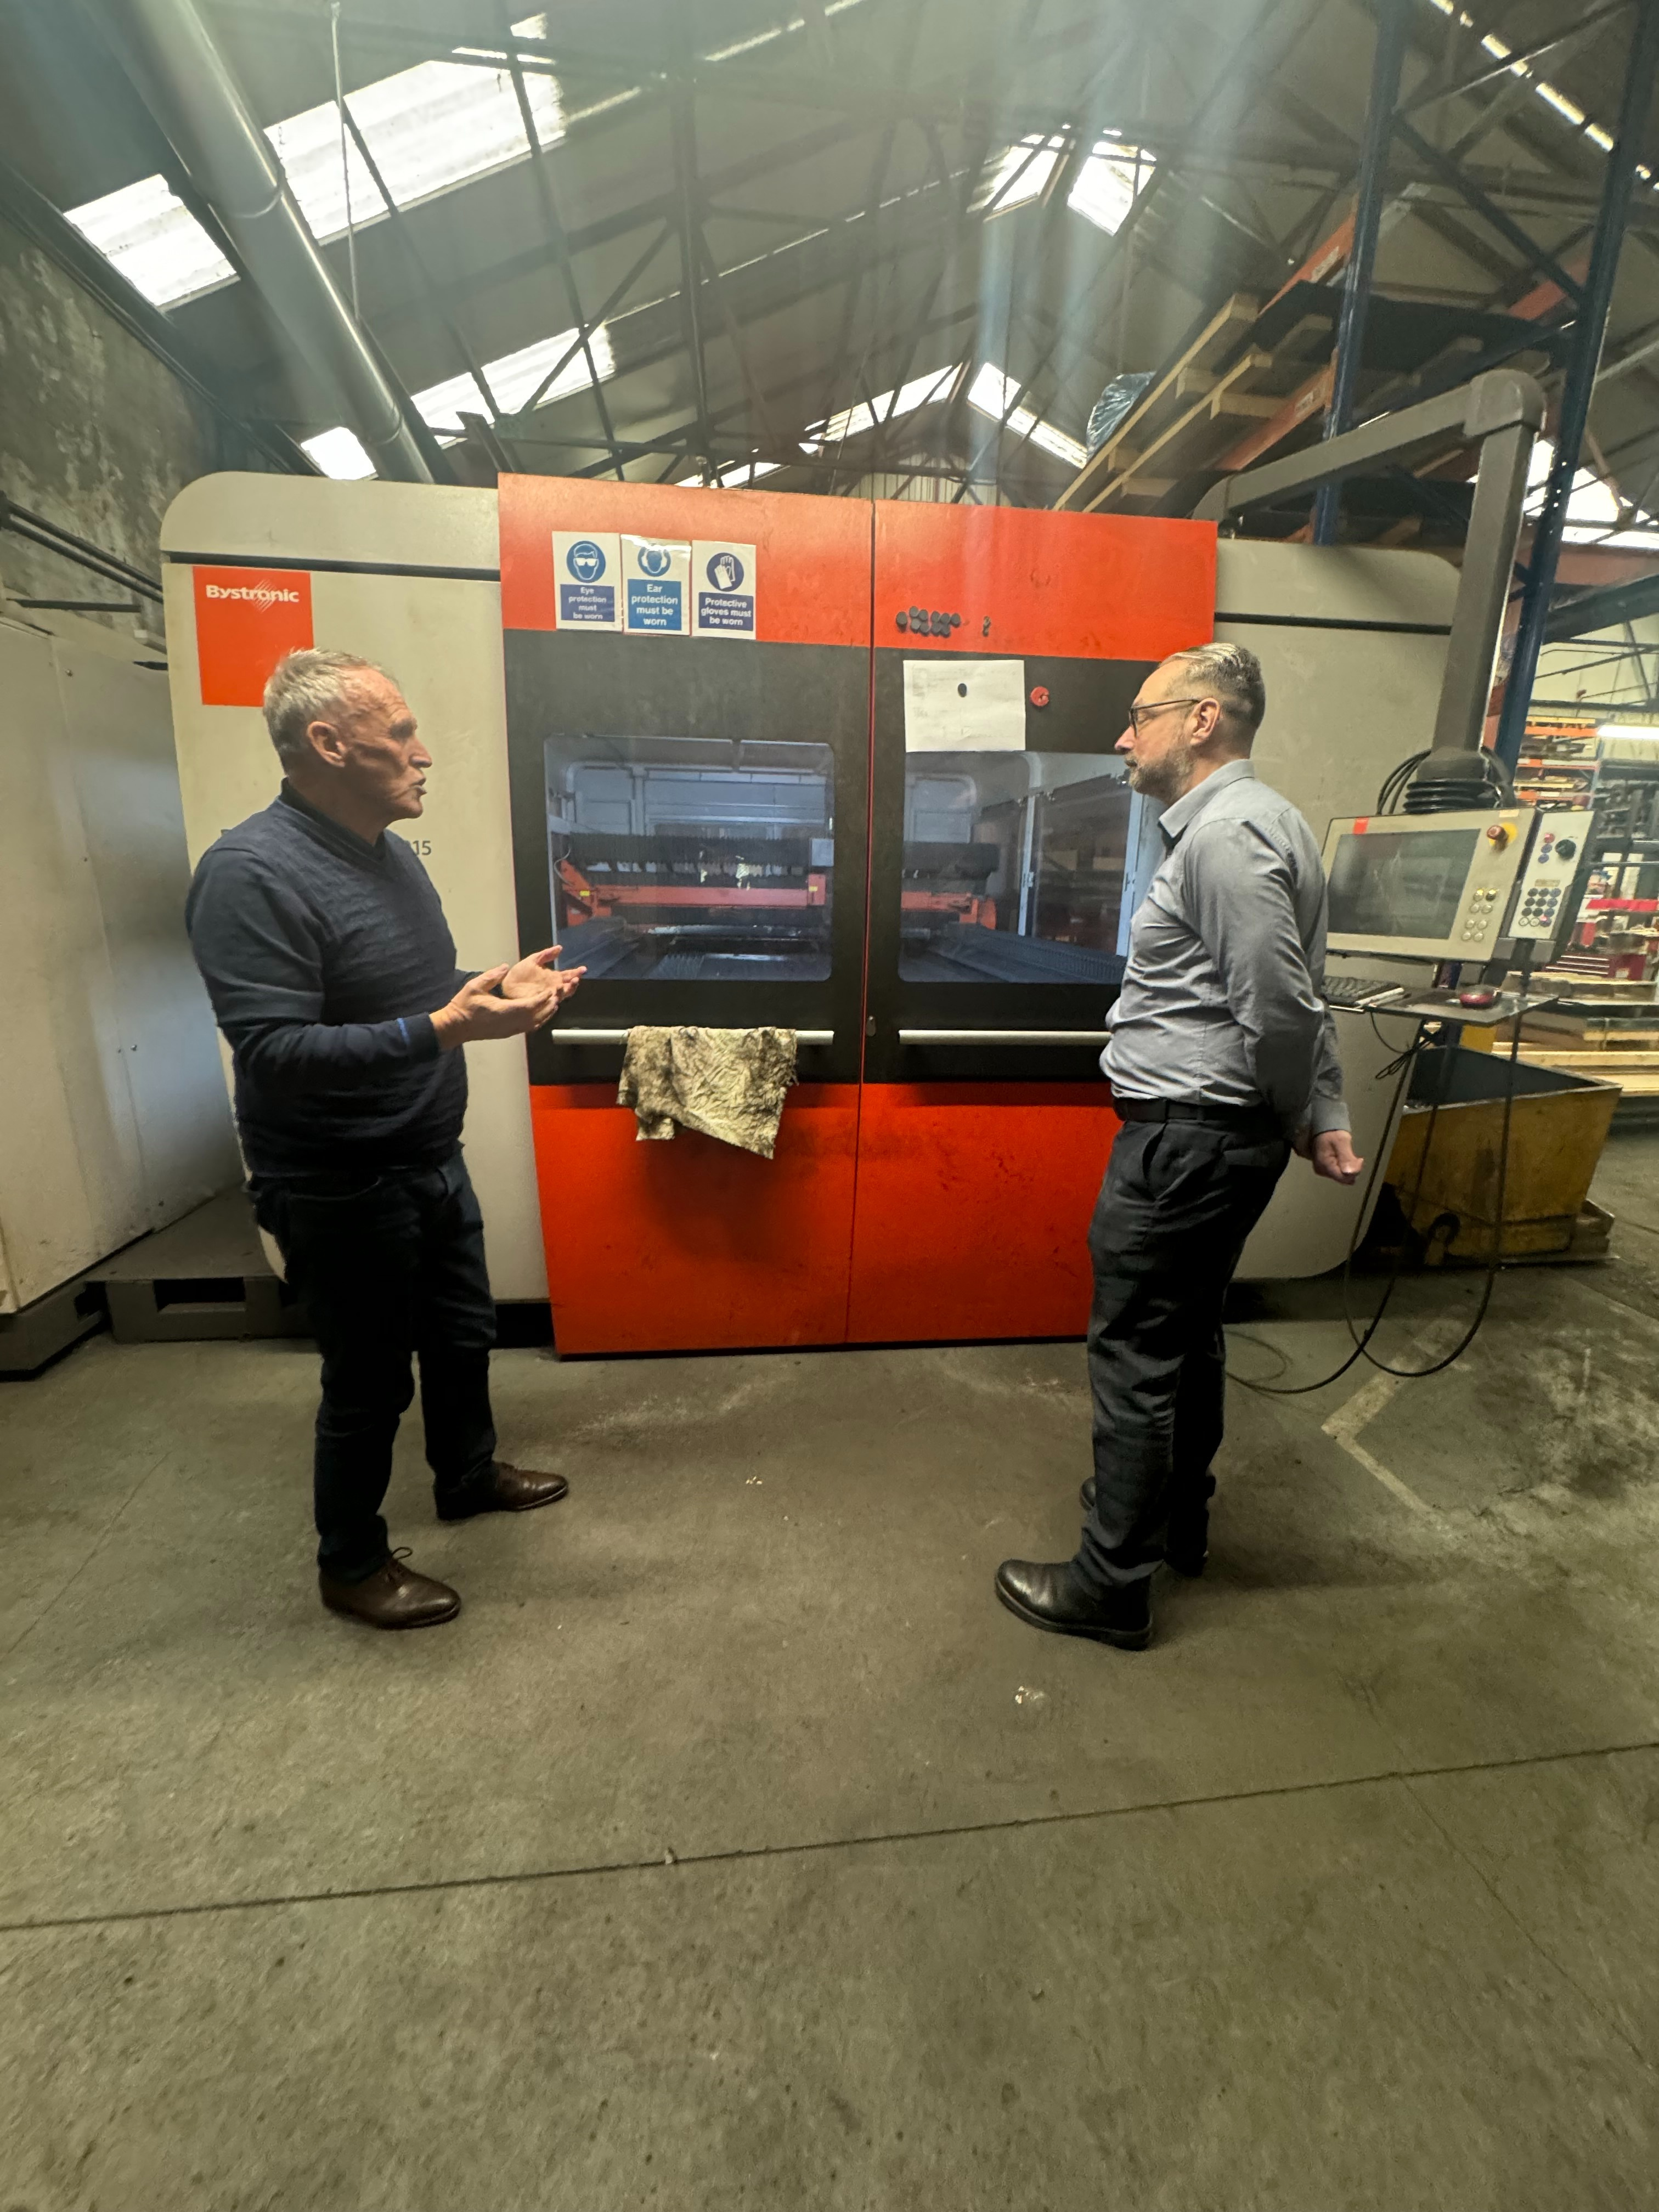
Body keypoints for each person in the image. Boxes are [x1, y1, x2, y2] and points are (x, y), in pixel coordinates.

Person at [185, 647, 585, 1630]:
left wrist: (492, 988)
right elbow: (274, 1048)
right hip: (334, 1176)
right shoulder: (249, 874)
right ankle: (352, 1563)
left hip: (424, 1151)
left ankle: (467, 1473)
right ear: (329, 744)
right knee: (365, 1381)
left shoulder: (388, 853)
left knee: (461, 1335)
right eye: (400, 734)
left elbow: (412, 991)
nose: (424, 754)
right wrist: (448, 1029)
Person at [995, 642, 1363, 1652]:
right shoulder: (1263, 823)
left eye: (1140, 715)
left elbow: (1282, 1008)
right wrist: (1319, 1109)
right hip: (1210, 1139)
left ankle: (1111, 1583)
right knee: (1188, 1340)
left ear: (1202, 720)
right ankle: (1175, 1527)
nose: (1124, 736)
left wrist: (1303, 1114)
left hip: (1187, 1145)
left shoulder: (1227, 837)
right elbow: (1298, 995)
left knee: (1135, 1358)